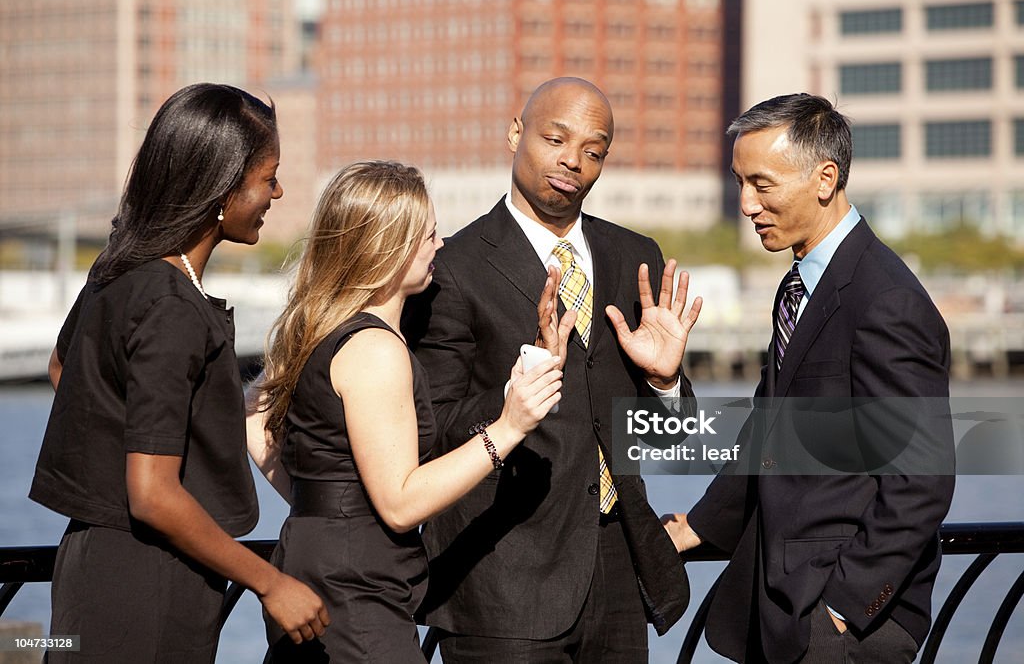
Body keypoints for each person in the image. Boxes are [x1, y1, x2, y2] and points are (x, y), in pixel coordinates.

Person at [402, 77, 700, 662]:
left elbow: (676, 438)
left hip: (616, 567)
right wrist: (521, 390)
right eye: (555, 139)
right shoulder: (453, 268)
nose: (572, 162)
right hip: (500, 575)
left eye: (594, 151)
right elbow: (428, 430)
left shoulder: (635, 257)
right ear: (516, 132)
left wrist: (666, 382)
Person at [29, 83, 328, 662]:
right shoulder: (172, 306)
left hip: (89, 565)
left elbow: (64, 367)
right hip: (148, 586)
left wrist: (141, 437)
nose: (278, 192)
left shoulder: (120, 265)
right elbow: (151, 495)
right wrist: (273, 584)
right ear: (223, 186)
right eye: (269, 177)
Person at [663, 94, 955, 663]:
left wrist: (845, 607)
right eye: (739, 182)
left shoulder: (886, 300)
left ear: (825, 179)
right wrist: (700, 524)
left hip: (842, 623)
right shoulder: (801, 284)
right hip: (785, 605)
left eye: (762, 184)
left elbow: (921, 480)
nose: (746, 203)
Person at [250, 160, 563, 662]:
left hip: (310, 565)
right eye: (429, 235)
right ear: (388, 248)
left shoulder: (319, 329)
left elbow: (255, 418)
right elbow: (399, 504)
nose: (439, 246)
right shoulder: (377, 349)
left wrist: (321, 504)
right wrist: (509, 428)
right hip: (356, 589)